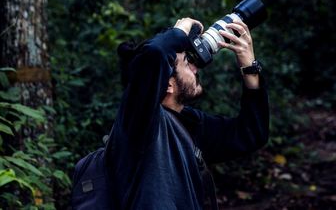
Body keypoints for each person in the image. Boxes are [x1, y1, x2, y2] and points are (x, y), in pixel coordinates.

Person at [104, 17, 269, 209]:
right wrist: (181, 30)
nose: (195, 67)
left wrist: (249, 68)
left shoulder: (190, 123)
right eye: (187, 61)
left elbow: (251, 134)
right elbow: (154, 55)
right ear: (167, 83)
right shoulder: (138, 122)